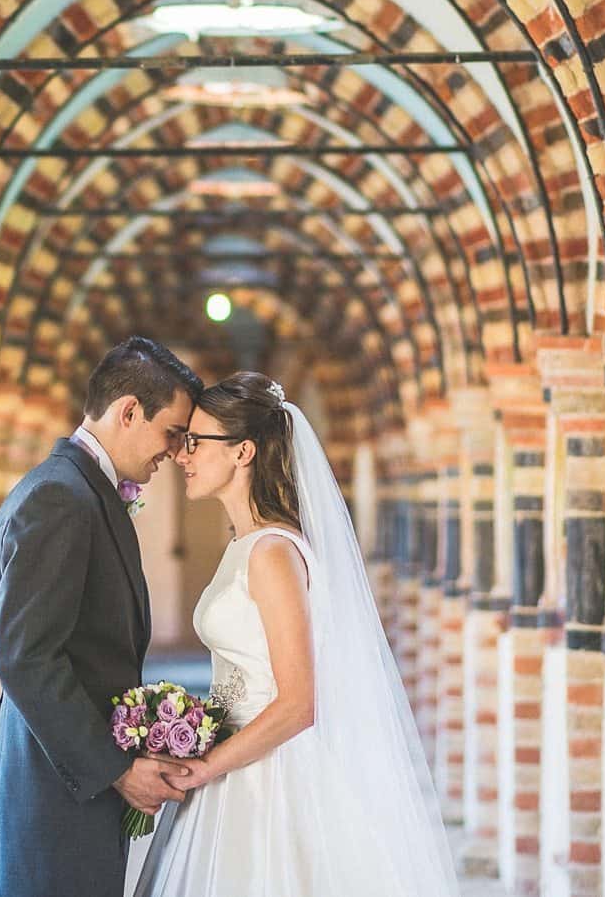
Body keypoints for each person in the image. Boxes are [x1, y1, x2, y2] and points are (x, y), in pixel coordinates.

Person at [130, 372, 460, 896]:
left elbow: (298, 703)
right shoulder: (245, 545)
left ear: (243, 452)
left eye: (196, 442)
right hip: (232, 764)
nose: (181, 455)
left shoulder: (273, 554)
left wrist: (205, 766)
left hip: (267, 777)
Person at [0, 337, 204, 897]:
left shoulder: (78, 490)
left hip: (69, 782)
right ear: (129, 412)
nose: (174, 452)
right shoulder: (61, 497)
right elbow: (24, 657)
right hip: (53, 789)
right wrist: (118, 769)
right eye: (171, 432)